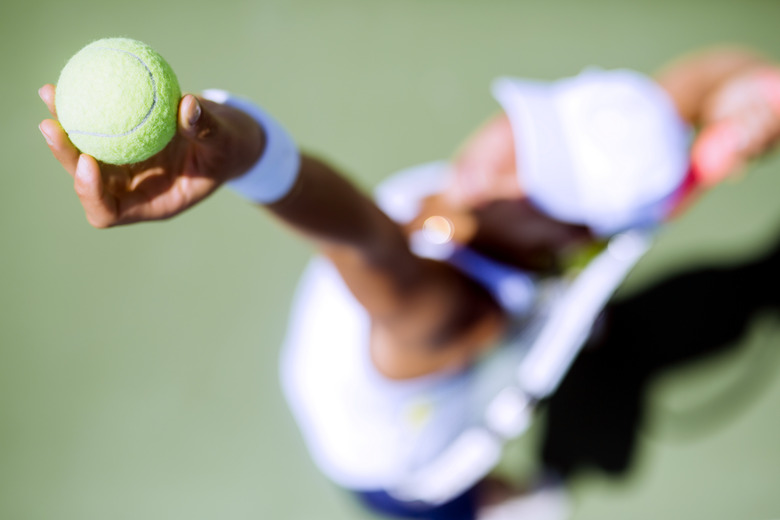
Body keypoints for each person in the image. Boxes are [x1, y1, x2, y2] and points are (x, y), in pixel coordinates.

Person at [38, 44, 780, 519]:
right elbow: (691, 84)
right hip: (385, 453)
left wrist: (239, 155)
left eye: (537, 180)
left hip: (412, 420)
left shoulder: (458, 301)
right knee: (453, 502)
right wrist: (750, 93)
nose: (499, 155)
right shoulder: (477, 277)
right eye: (532, 128)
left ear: (570, 235)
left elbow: (362, 234)